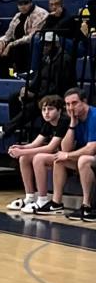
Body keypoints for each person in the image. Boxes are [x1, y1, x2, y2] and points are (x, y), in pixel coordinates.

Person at [29, 87, 96, 215]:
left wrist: (68, 155)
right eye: (68, 104)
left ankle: (86, 205)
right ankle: (56, 203)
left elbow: (91, 148)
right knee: (59, 159)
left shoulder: (94, 116)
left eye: (74, 103)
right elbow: (65, 148)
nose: (71, 107)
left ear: (84, 101)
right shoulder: (75, 119)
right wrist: (72, 125)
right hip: (89, 157)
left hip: (92, 155)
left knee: (83, 159)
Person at [5, 95, 69, 212]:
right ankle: (30, 197)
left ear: (59, 110)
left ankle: (43, 199)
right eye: (44, 110)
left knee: (39, 158)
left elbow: (50, 148)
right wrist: (21, 147)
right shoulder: (48, 123)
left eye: (50, 109)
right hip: (56, 155)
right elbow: (35, 144)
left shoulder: (64, 121)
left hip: (67, 156)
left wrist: (21, 151)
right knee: (24, 157)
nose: (46, 113)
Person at [0, 0, 48, 78]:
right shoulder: (18, 16)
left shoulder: (40, 14)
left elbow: (32, 36)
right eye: (20, 4)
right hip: (18, 43)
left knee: (18, 47)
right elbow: (8, 34)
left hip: (30, 44)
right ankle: (4, 77)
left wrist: (11, 44)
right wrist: (0, 41)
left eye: (25, 3)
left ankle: (24, 75)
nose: (23, 6)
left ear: (31, 3)